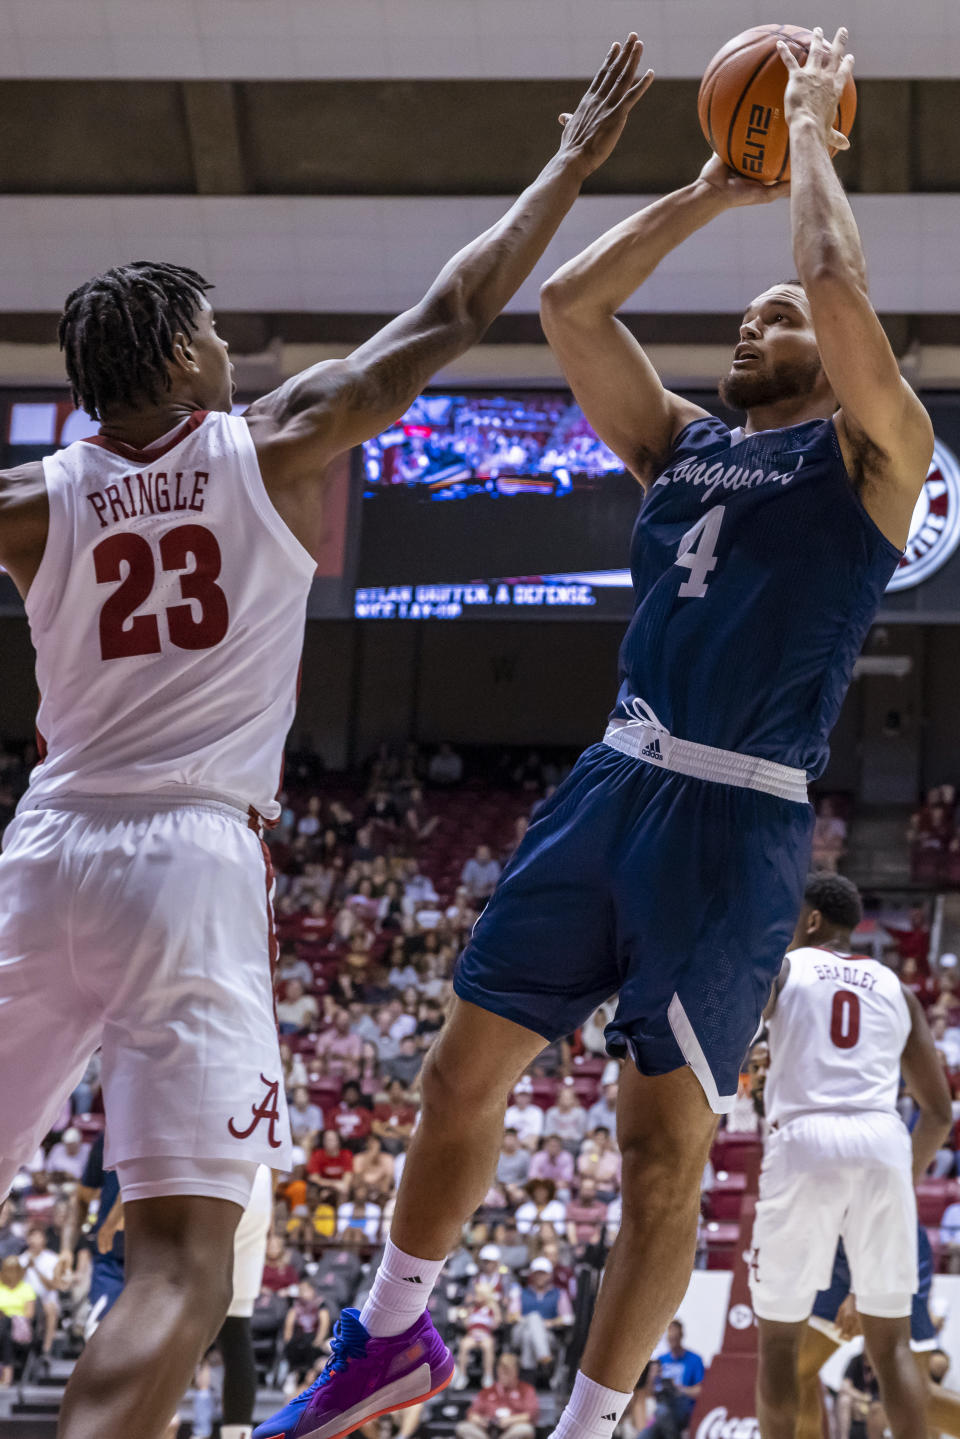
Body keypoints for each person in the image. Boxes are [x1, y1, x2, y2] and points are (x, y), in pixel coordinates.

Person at [276, 28, 937, 1439]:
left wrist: (810, 137)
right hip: (612, 778)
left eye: (773, 316)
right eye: (748, 318)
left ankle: (585, 1424)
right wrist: (713, 185)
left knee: (658, 1154)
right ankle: (391, 1330)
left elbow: (832, 282)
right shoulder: (681, 443)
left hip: (735, 821)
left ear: (825, 351)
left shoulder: (877, 459)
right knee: (459, 1069)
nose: (756, 324)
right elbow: (573, 307)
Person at [0, 27, 653, 1439]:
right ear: (182, 354)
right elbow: (456, 304)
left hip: (41, 850)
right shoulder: (270, 434)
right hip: (187, 862)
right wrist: (565, 163)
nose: (235, 347)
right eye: (218, 330)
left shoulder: (30, 497)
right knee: (178, 1257)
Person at [749, 874, 953, 1439]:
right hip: (883, 1144)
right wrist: (901, 1184)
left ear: (811, 921)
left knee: (778, 1345)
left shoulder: (786, 968)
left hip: (806, 1139)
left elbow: (735, 1025)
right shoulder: (898, 987)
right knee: (891, 1352)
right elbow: (938, 1114)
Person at [796, 1227, 960, 1439]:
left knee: (911, 1396)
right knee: (794, 1371)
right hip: (841, 1246)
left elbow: (884, 1195)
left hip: (884, 1243)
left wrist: (859, 1289)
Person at [643, 1320, 704, 1439]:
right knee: (644, 1435)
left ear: (681, 1337)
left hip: (683, 1407)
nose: (672, 1342)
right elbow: (650, 1393)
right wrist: (651, 1377)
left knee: (661, 1412)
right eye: (670, 1339)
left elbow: (700, 1390)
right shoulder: (661, 1359)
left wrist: (679, 1389)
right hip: (663, 1407)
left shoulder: (694, 1359)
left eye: (675, 1338)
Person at [456, 1353, 539, 1439]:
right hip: (487, 1433)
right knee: (463, 1428)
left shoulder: (526, 1390)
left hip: (511, 1432)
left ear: (516, 1371)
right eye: (501, 1370)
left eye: (507, 1371)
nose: (503, 1373)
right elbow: (472, 1414)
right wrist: (481, 1421)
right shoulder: (487, 1391)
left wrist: (510, 1420)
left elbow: (531, 1415)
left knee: (525, 1429)